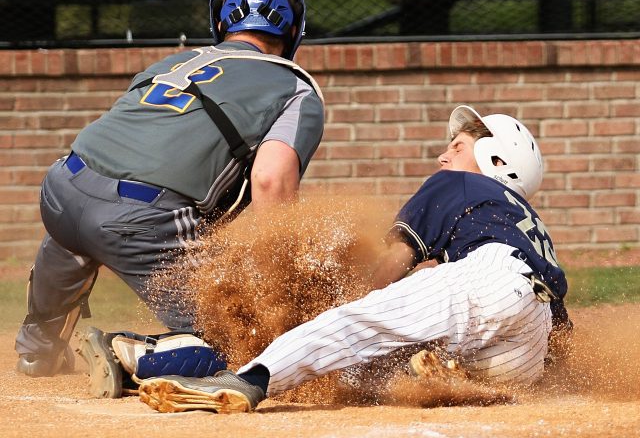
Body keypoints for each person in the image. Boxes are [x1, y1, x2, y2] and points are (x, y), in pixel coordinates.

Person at [14, 0, 325, 397]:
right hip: (139, 221)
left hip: (61, 188)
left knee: (77, 229)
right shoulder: (295, 87)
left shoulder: (177, 61)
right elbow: (271, 183)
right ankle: (129, 354)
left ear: (220, 23)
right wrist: (277, 287)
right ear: (294, 32)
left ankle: (38, 348)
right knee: (244, 340)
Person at [137, 105, 572, 413]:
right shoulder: (531, 225)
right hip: (528, 344)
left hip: (489, 278)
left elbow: (393, 264)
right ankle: (449, 380)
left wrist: (342, 307)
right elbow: (561, 335)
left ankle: (250, 380)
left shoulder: (456, 185)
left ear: (494, 161)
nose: (444, 156)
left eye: (457, 146)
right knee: (376, 370)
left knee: (359, 328)